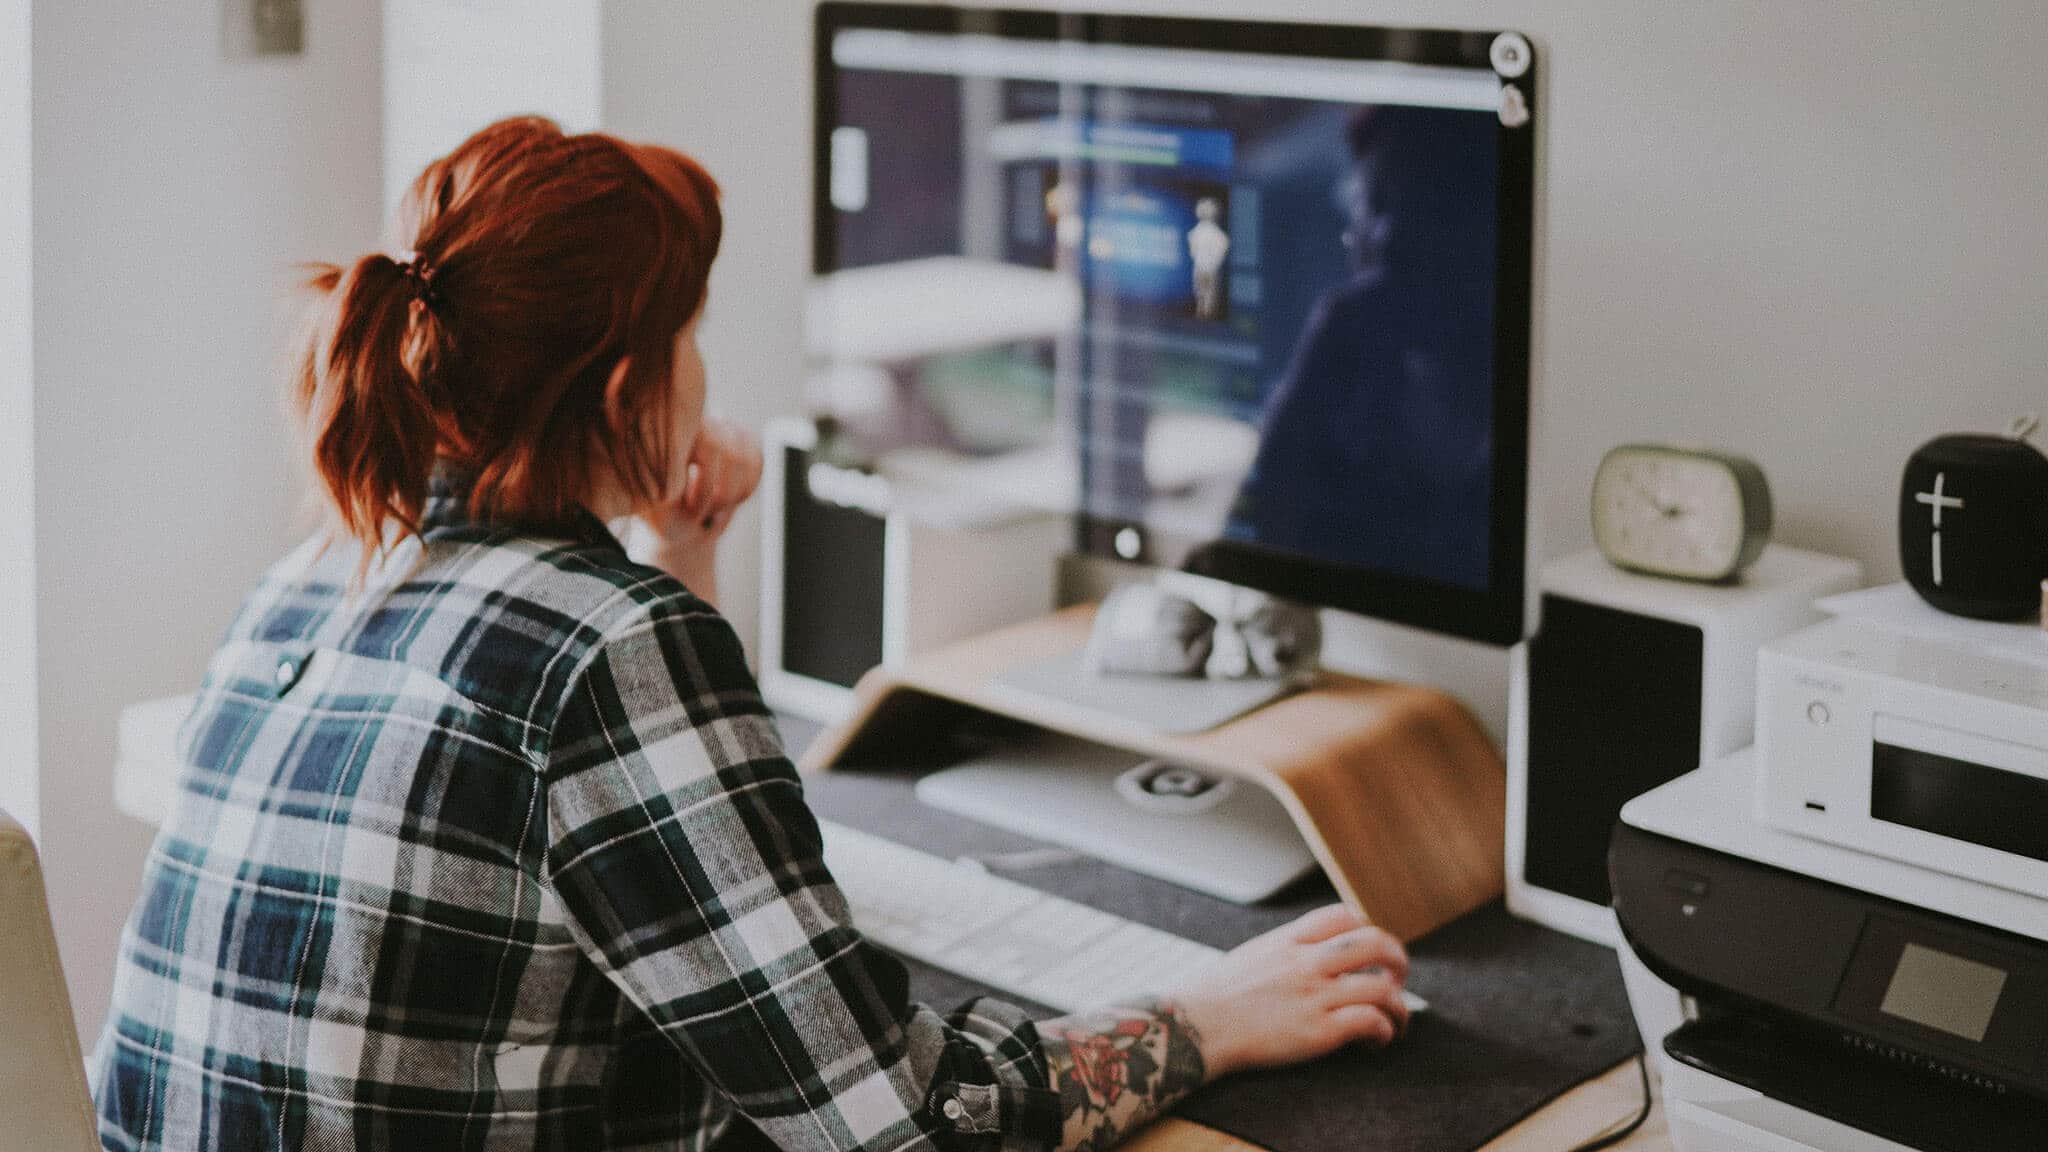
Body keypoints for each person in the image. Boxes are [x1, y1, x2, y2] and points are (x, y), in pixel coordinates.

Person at [91, 117, 1413, 1152]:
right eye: (693, 338)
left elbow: (655, 858)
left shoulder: (320, 570)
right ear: (630, 388)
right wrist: (1215, 1018)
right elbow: (900, 1123)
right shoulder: (606, 648)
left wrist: (682, 550)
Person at [1230, 106, 1498, 590]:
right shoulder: (1347, 342)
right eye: (1372, 204)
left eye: (1418, 204)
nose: (1386, 235)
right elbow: (1259, 528)